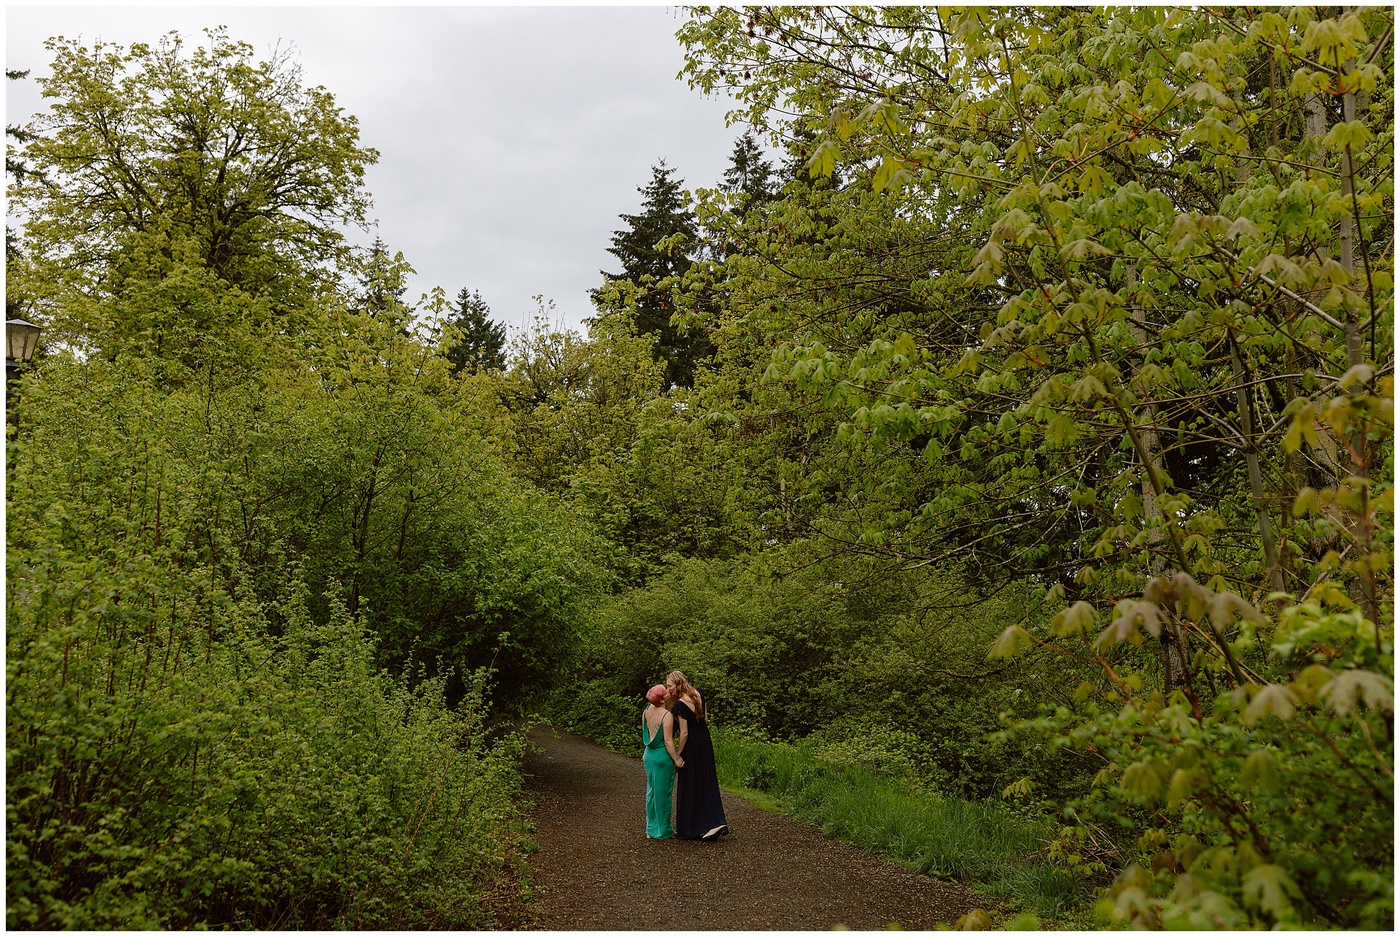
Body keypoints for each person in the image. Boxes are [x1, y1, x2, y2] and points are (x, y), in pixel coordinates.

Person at [665, 670, 729, 841]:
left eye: (670, 686)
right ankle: (715, 820)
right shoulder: (699, 693)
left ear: (678, 684)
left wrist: (678, 754)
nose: (668, 689)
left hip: (692, 744)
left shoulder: (679, 705)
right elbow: (706, 720)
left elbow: (684, 733)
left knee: (691, 782)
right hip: (704, 740)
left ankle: (696, 826)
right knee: (707, 779)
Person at [642, 683, 684, 840]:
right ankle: (664, 830)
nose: (668, 693)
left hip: (648, 755)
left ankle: (650, 828)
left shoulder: (646, 710)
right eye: (665, 693)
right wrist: (677, 759)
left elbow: (647, 732)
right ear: (661, 700)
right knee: (663, 794)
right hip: (662, 758)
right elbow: (667, 741)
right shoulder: (667, 715)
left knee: (651, 792)